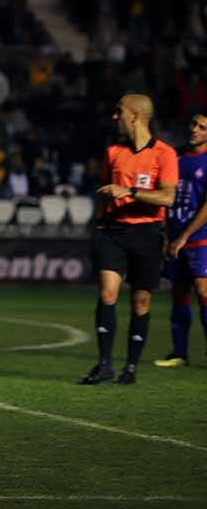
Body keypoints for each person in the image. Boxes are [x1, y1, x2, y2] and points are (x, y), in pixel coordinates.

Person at [83, 93, 177, 385]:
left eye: (118, 111)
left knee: (140, 301)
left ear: (134, 116)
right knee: (107, 292)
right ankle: (104, 364)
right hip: (112, 231)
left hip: (147, 233)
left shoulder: (165, 154)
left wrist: (131, 192)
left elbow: (168, 197)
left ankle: (131, 368)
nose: (114, 117)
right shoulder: (113, 152)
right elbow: (104, 190)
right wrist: (99, 225)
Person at [157, 111, 207, 369]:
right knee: (179, 291)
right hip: (174, 236)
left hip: (200, 237)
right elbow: (164, 197)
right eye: (193, 124)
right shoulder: (173, 156)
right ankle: (180, 353)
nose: (195, 130)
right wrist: (167, 237)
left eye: (202, 127)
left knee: (203, 290)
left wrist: (185, 236)